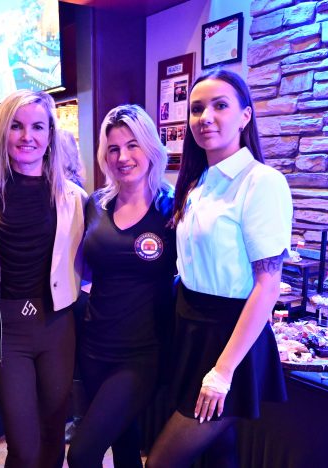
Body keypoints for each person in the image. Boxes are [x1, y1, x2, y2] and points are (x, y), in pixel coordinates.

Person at [146, 68, 292, 468]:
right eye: (196, 109)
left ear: (245, 116)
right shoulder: (198, 182)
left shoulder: (261, 182)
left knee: (161, 461)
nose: (205, 117)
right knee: (217, 455)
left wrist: (223, 371)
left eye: (220, 106)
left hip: (230, 337)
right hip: (190, 326)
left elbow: (268, 285)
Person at [0, 89, 86, 468]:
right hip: (7, 330)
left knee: (54, 434)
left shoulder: (73, 197)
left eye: (38, 127)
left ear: (50, 134)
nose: (28, 136)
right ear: (2, 133)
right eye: (17, 126)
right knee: (23, 447)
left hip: (57, 326)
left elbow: (90, 260)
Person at [67, 104, 176, 468]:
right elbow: (79, 267)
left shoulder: (172, 209)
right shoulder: (96, 204)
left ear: (150, 147)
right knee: (125, 444)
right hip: (94, 345)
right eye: (113, 148)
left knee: (82, 453)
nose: (123, 157)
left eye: (132, 145)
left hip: (143, 353)